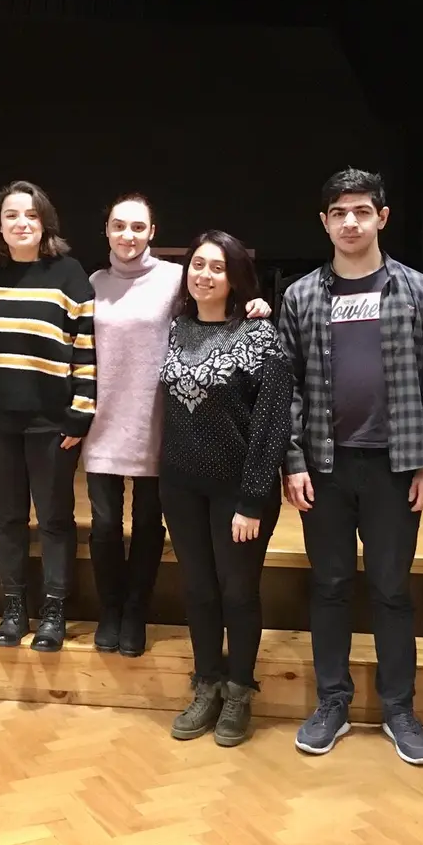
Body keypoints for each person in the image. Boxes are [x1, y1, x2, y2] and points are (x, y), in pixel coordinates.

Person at [279, 167, 423, 766]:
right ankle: (333, 702)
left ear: (382, 217)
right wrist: (292, 460)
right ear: (324, 222)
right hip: (324, 467)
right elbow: (288, 386)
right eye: (338, 213)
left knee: (392, 589)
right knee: (328, 586)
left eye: (361, 211)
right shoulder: (301, 296)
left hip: (394, 467)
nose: (349, 222)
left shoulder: (418, 290)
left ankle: (399, 709)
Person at [83, 194, 270, 657]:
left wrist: (255, 303)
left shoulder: (174, 279)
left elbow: (218, 304)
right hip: (105, 421)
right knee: (104, 525)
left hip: (160, 423)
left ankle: (135, 613)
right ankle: (110, 610)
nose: (128, 235)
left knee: (148, 524)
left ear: (152, 232)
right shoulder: (94, 283)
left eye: (138, 227)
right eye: (118, 225)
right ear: (106, 230)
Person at [159, 231, 293, 747]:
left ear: (235, 278)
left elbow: (271, 426)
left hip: (239, 494)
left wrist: (252, 501)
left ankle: (239, 690)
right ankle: (206, 684)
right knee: (198, 590)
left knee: (237, 592)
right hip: (181, 489)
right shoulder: (177, 328)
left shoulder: (261, 337)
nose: (205, 275)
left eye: (217, 267)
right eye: (198, 265)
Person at [0, 181, 95, 653]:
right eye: (11, 215)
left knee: (54, 519)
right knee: (7, 519)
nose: (21, 223)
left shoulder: (68, 273)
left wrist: (81, 413)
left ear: (45, 222)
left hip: (51, 420)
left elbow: (86, 347)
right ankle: (14, 608)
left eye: (30, 215)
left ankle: (54, 610)